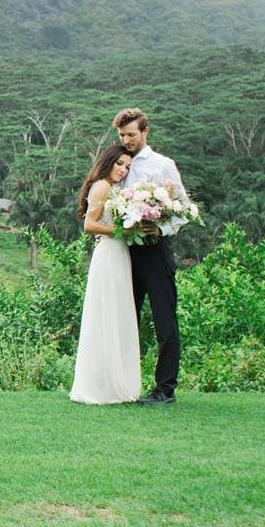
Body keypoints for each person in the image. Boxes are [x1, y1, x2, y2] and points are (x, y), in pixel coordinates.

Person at [114, 107, 187, 406]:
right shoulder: (117, 163)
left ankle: (165, 389)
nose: (127, 140)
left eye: (131, 134)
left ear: (145, 131)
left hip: (155, 251)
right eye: (122, 135)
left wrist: (161, 228)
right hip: (124, 251)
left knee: (164, 320)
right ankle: (122, 385)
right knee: (123, 320)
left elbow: (182, 209)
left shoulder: (163, 165)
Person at [69, 144, 141, 405]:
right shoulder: (101, 186)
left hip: (119, 254)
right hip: (108, 255)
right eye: (119, 163)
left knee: (118, 315)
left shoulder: (117, 190)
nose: (123, 170)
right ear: (108, 161)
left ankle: (114, 383)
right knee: (106, 314)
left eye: (127, 166)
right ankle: (100, 387)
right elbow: (89, 224)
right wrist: (122, 233)